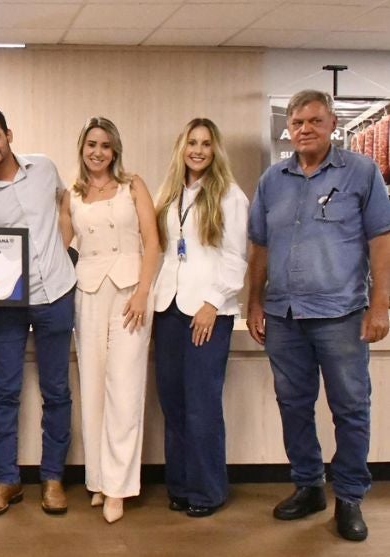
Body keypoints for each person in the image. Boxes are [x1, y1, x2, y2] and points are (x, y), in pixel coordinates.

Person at [247, 90, 390, 542]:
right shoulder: (272, 180)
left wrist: (380, 304)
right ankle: (308, 486)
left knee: (350, 408)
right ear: (288, 128)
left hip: (341, 314)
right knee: (293, 406)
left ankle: (349, 497)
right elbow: (259, 246)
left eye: (314, 120)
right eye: (297, 122)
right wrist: (253, 301)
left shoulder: (362, 173)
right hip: (284, 315)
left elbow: (381, 240)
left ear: (332, 125)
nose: (305, 129)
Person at [0, 106, 76, 517]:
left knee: (56, 391)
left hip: (56, 295)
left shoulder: (43, 168)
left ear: (8, 135)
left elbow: (65, 204)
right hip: (8, 305)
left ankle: (52, 478)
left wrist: (62, 248)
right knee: (5, 392)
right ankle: (6, 480)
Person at [57, 116, 159, 523]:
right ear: (82, 148)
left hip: (130, 292)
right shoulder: (72, 194)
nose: (97, 152)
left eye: (104, 145)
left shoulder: (133, 185)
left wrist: (143, 292)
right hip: (88, 292)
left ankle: (118, 487)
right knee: (93, 387)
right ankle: (98, 480)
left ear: (114, 149)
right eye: (91, 144)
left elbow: (153, 242)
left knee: (125, 387)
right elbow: (59, 246)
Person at [152, 118, 248, 518]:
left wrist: (213, 302)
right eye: (192, 142)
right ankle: (180, 486)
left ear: (215, 149)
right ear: (181, 147)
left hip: (207, 311)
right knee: (173, 404)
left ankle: (208, 492)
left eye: (206, 143)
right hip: (169, 309)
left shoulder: (230, 195)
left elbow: (236, 257)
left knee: (201, 406)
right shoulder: (170, 193)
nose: (198, 150)